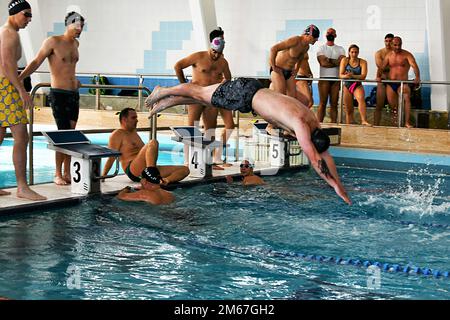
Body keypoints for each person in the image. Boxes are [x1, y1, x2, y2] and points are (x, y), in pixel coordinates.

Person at [145, 78, 352, 205]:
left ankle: (168, 100)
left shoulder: (312, 120)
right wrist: (334, 186)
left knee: (203, 98)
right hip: (244, 95)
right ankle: (163, 91)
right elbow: (316, 159)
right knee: (198, 92)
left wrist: (340, 184)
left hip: (250, 90)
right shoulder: (300, 125)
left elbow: (325, 156)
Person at [19, 11, 85, 185]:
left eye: (82, 26)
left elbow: (69, 68)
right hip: (59, 94)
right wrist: (20, 78)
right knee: (63, 134)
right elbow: (35, 61)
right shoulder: (53, 42)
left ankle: (67, 171)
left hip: (73, 94)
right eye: (77, 25)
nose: (80, 29)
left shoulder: (76, 44)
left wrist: (75, 81)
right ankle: (57, 173)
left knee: (71, 135)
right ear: (68, 24)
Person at [0, 0, 46, 200]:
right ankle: (22, 187)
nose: (29, 19)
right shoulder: (9, 33)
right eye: (26, 14)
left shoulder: (8, 32)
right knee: (22, 136)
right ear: (15, 12)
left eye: (31, 16)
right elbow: (7, 64)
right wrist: (21, 90)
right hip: (6, 88)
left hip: (3, 86)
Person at [173, 27, 234, 169]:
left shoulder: (223, 62)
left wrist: (221, 87)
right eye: (214, 52)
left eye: (218, 54)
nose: (215, 56)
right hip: (196, 95)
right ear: (210, 47)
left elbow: (229, 78)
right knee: (191, 127)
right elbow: (178, 66)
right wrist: (184, 85)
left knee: (210, 129)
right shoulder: (198, 57)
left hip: (211, 98)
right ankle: (187, 162)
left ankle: (209, 162)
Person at [102, 108, 189, 185]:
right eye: (133, 118)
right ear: (124, 119)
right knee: (153, 142)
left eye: (136, 117)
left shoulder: (134, 133)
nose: (137, 120)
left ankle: (164, 181)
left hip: (148, 169)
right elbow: (111, 158)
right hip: (133, 169)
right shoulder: (117, 134)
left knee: (185, 170)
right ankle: (151, 175)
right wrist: (103, 177)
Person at [376, 36, 420, 128]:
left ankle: (407, 122)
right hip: (391, 83)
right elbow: (382, 67)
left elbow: (414, 66)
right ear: (391, 44)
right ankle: (395, 124)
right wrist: (378, 76)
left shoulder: (407, 54)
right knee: (393, 107)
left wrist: (417, 77)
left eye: (399, 45)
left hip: (403, 82)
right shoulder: (388, 55)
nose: (397, 47)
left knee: (406, 100)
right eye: (395, 45)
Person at [316, 28, 346, 123]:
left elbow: (342, 63)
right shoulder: (321, 48)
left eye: (332, 33)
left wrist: (329, 59)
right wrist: (335, 61)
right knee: (322, 103)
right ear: (325, 35)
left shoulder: (340, 49)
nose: (330, 34)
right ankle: (318, 124)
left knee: (334, 104)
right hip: (324, 78)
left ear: (335, 35)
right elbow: (323, 63)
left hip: (336, 79)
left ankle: (334, 125)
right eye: (328, 33)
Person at [339, 44, 371, 125]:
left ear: (358, 52)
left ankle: (363, 120)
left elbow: (363, 76)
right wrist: (346, 76)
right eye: (352, 52)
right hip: (347, 85)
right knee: (349, 109)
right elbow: (340, 75)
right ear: (349, 52)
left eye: (356, 52)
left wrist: (352, 75)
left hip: (357, 84)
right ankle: (349, 123)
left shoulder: (363, 62)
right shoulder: (345, 60)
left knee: (361, 100)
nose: (354, 54)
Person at [374, 33, 394, 126]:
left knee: (393, 106)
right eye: (386, 41)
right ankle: (376, 125)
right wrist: (392, 66)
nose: (388, 43)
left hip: (393, 81)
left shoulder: (397, 53)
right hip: (382, 80)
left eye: (390, 41)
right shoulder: (379, 53)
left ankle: (395, 126)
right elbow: (380, 66)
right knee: (379, 105)